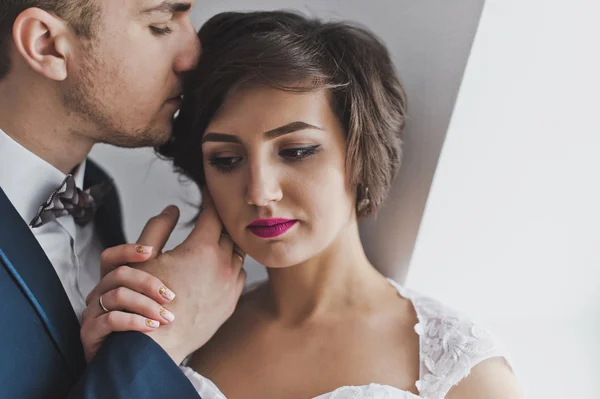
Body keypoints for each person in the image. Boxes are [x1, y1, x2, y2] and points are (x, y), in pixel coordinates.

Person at [86, 10, 522, 399]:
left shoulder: (460, 372)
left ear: (359, 151)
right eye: (227, 160)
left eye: (296, 151)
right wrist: (125, 358)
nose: (259, 191)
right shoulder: (177, 328)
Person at [0, 1, 245, 397]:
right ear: (46, 45)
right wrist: (157, 343)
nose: (194, 55)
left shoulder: (98, 192)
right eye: (161, 25)